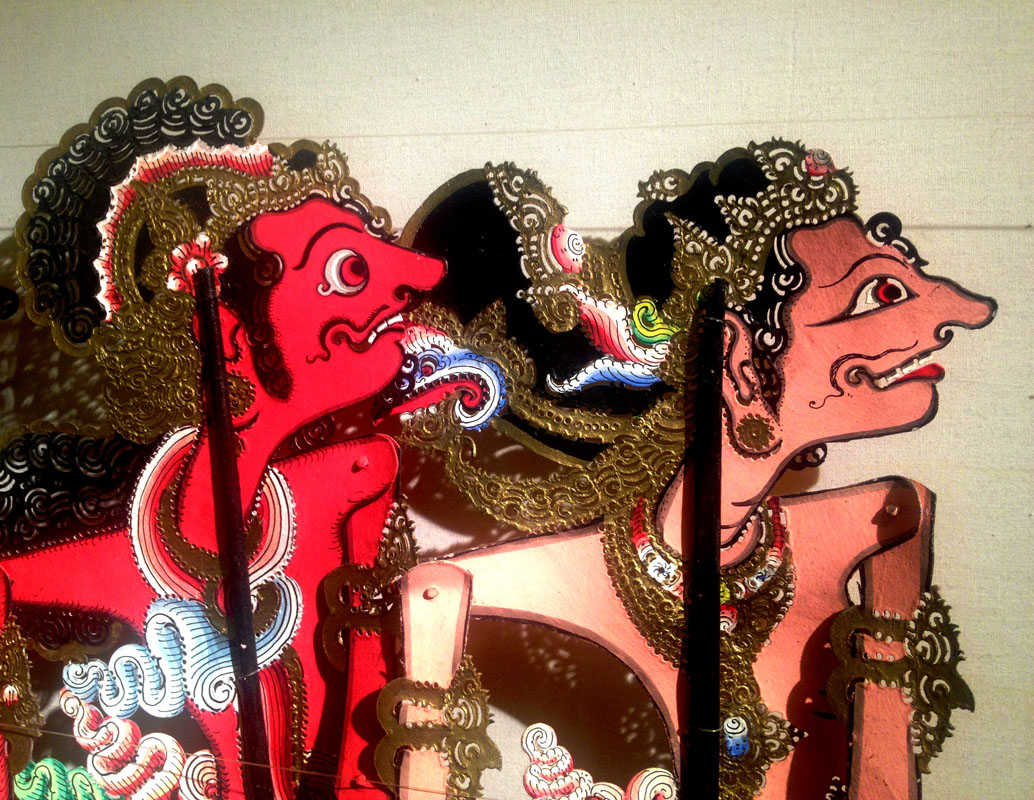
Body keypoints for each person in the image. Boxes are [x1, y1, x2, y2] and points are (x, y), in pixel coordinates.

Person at [381, 141, 995, 799]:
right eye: (878, 295)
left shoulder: (886, 527)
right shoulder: (467, 594)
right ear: (736, 360)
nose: (965, 312)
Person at [0, 80, 444, 800]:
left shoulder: (356, 484)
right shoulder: (66, 567)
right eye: (345, 270)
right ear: (232, 340)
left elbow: (374, 755)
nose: (414, 283)